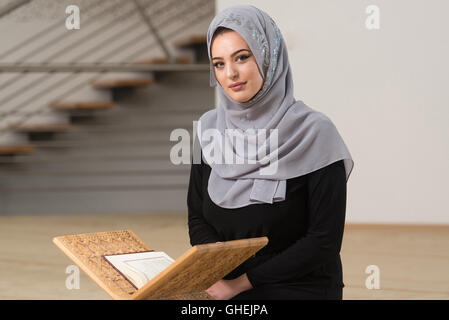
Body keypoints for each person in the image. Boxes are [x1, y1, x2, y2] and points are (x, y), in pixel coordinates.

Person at [187, 5, 354, 300]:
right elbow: (198, 218)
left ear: (268, 57)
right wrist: (216, 275)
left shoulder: (315, 131)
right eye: (219, 64)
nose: (231, 74)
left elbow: (323, 241)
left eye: (242, 57)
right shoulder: (209, 130)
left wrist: (241, 284)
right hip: (227, 285)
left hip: (300, 286)